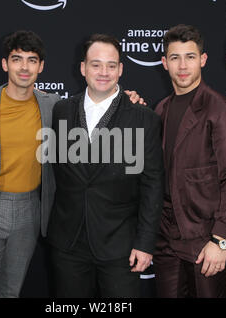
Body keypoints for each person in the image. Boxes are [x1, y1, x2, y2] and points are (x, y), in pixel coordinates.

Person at [0, 31, 143, 298]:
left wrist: (128, 99)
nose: (24, 67)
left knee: (10, 293)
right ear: (4, 64)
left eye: (32, 60)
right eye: (17, 59)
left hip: (30, 211)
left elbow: (100, 105)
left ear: (41, 66)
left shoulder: (55, 107)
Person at [47, 33, 164, 297]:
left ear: (121, 69)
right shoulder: (62, 111)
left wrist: (145, 244)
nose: (103, 72)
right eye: (96, 64)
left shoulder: (144, 118)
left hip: (120, 245)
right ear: (83, 68)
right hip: (68, 242)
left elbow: (153, 185)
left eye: (111, 65)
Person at [153, 24, 226, 298]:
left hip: (205, 241)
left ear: (203, 60)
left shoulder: (223, 112)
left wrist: (221, 240)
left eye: (190, 56)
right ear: (164, 63)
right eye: (175, 57)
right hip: (165, 240)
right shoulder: (160, 109)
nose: (182, 65)